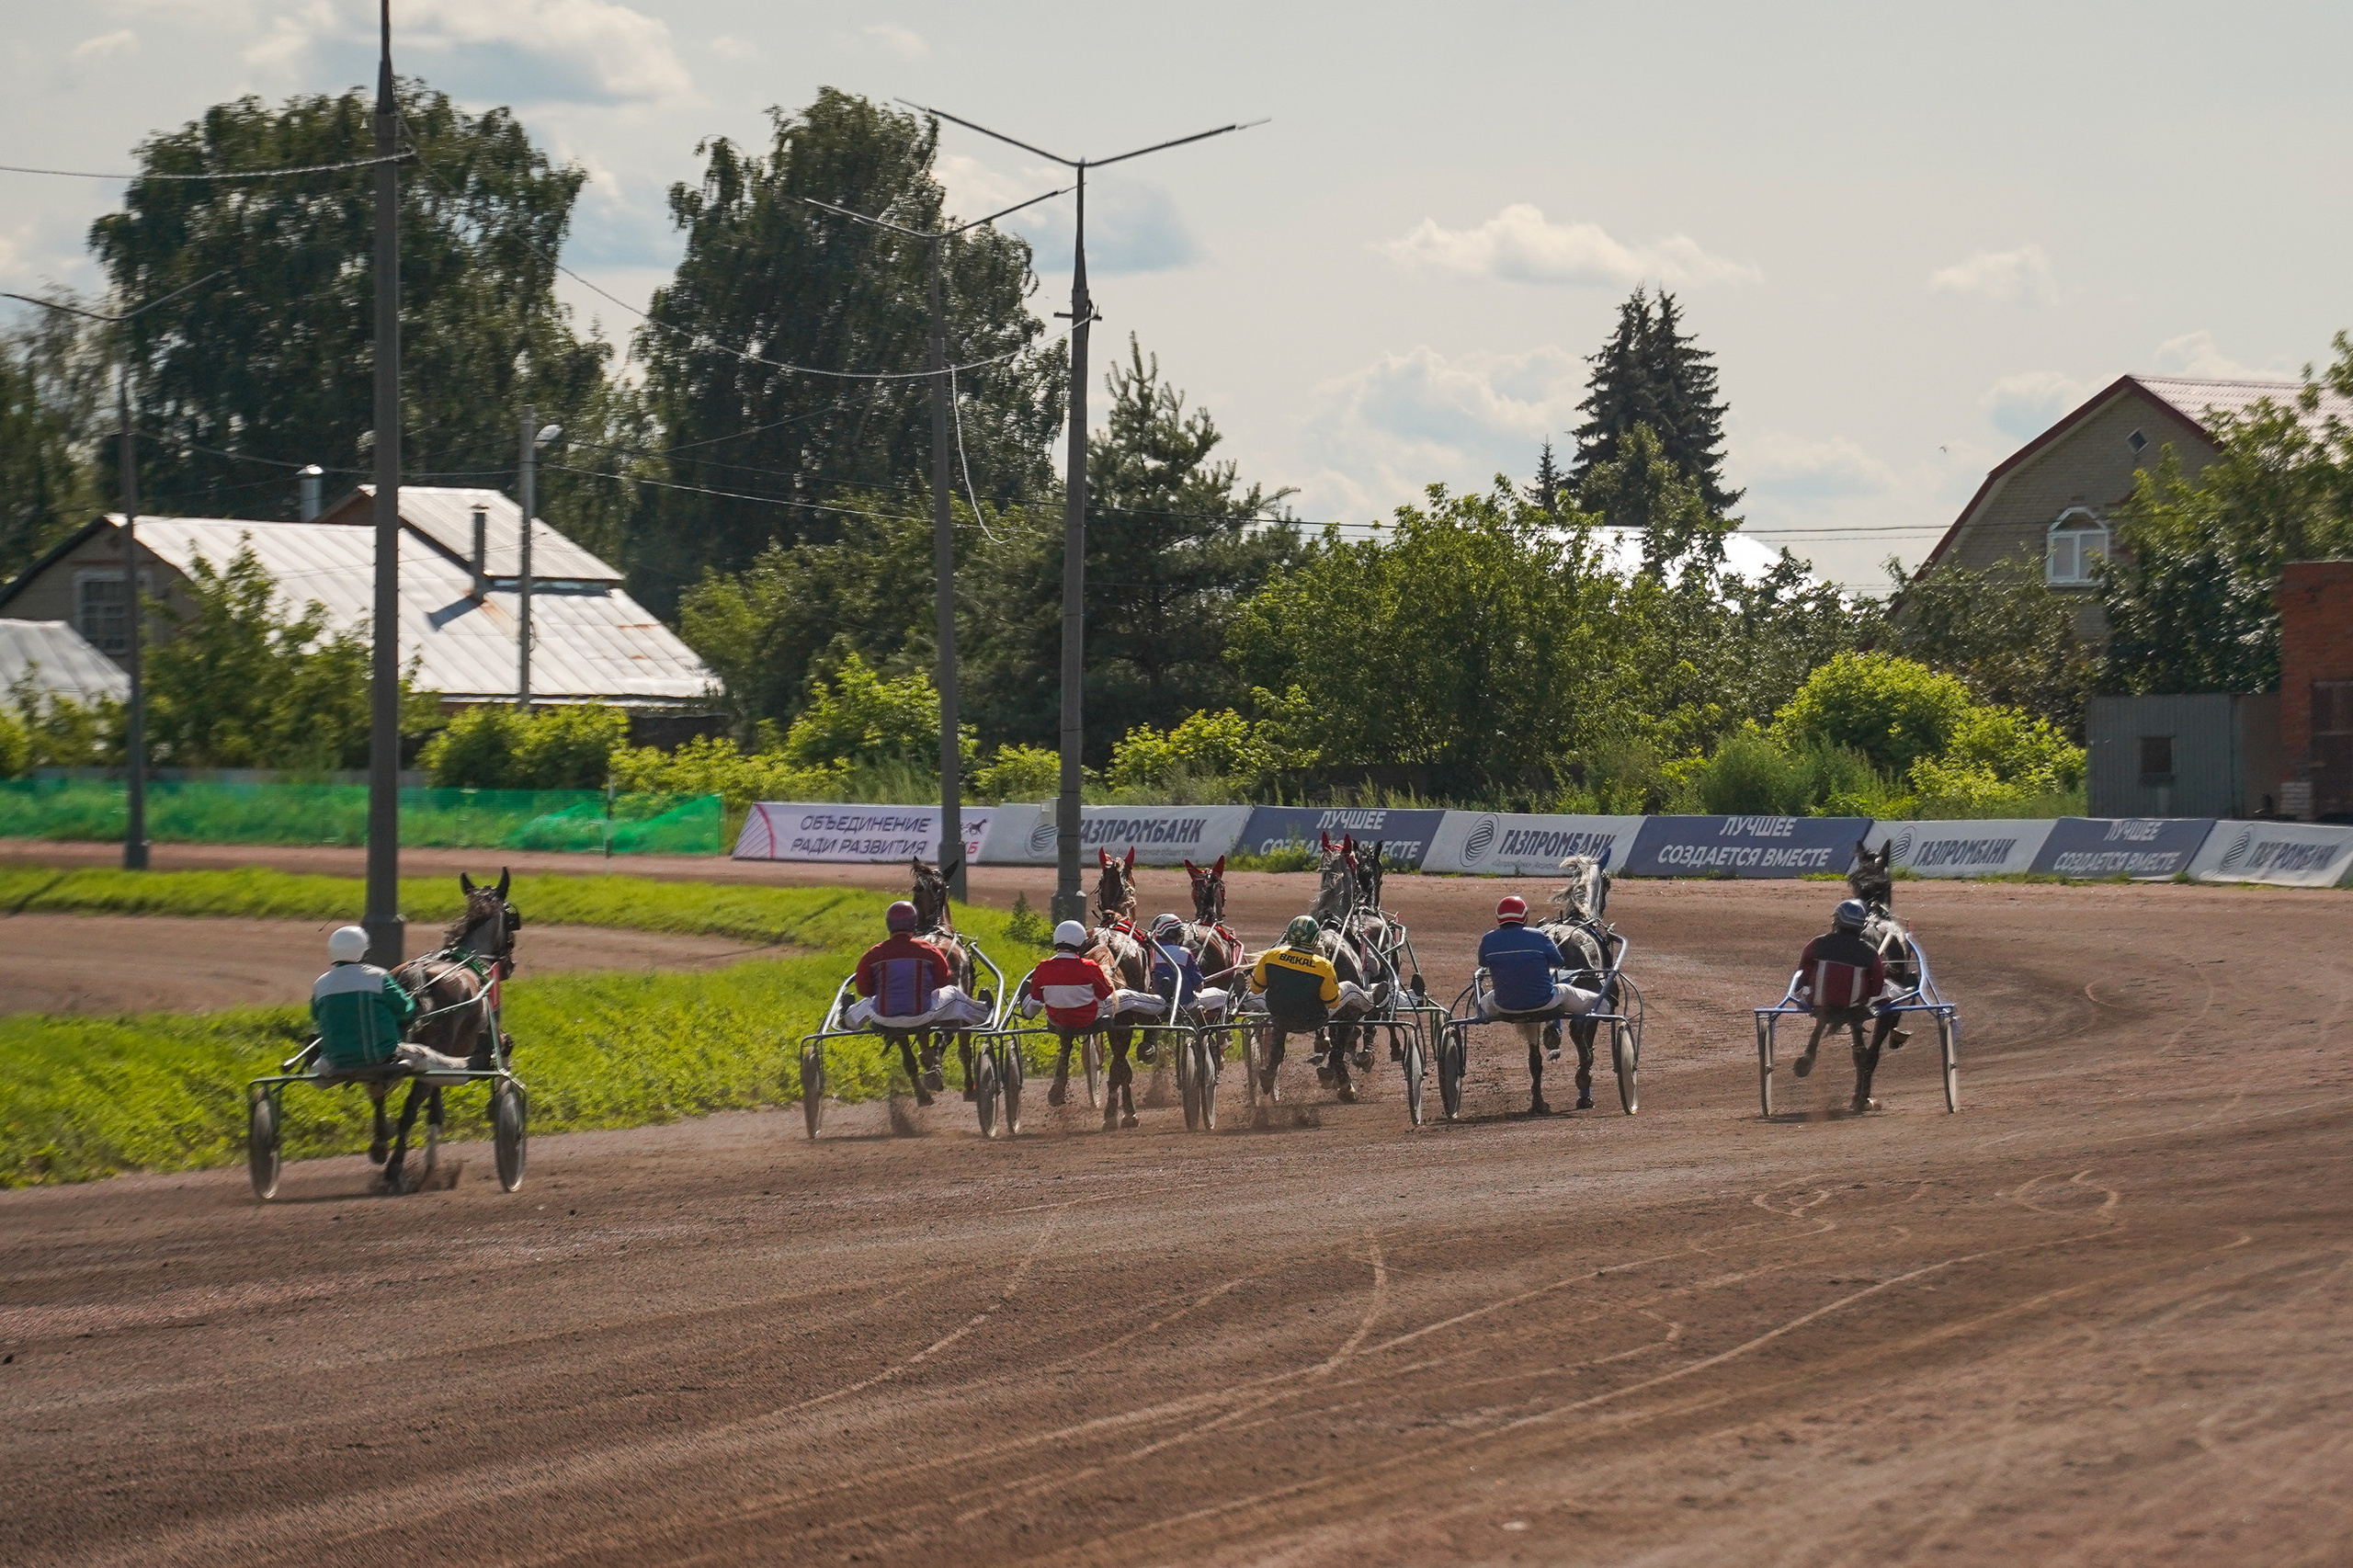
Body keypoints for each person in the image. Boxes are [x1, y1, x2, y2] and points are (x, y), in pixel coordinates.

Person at [1021, 920, 1164, 1108]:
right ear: (1081, 944)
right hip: (1090, 1016)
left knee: (1035, 998)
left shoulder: (1042, 967)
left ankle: (1024, 1008)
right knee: (1128, 997)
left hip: (1057, 1017)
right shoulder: (1089, 967)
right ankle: (1161, 1005)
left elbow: (1039, 996)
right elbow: (1106, 993)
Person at [1790, 898, 1906, 1111]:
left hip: (1818, 1004)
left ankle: (1811, 1050)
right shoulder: (1870, 953)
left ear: (1836, 921)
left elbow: (1803, 973)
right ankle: (1890, 1033)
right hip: (1855, 1007)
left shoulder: (1816, 944)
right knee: (1898, 993)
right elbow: (1876, 986)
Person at [1250, 915, 1358, 1101]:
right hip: (1315, 1019)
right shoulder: (1324, 966)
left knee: (1279, 1004)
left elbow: (1255, 989)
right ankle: (1372, 999)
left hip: (1279, 1017)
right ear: (1315, 940)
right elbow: (1332, 1002)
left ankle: (1272, 1067)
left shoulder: (1270, 957)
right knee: (1349, 988)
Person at [844, 901, 989, 1029]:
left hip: (883, 1016)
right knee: (955, 994)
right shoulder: (928, 950)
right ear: (914, 924)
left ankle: (846, 1020)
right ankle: (984, 1013)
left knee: (862, 1005)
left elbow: (863, 990)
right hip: (922, 1014)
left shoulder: (873, 954)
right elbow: (943, 981)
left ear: (889, 925)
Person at [311, 924, 419, 1071]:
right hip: (381, 1057)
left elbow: (316, 1016)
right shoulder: (378, 977)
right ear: (363, 952)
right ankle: (460, 1068)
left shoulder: (320, 984)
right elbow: (405, 1010)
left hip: (336, 1061)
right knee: (426, 1055)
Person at [1475, 896, 1600, 1022]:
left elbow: (1483, 963)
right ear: (1524, 916)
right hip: (1544, 1002)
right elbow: (1558, 962)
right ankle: (1606, 1009)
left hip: (1504, 1006)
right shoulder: (1538, 935)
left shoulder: (1488, 939)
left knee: (1485, 1001)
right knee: (1595, 1000)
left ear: (1498, 917)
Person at [1148, 913, 1231, 1019]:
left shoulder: (1149, 953)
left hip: (1155, 1003)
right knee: (1224, 996)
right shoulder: (1184, 953)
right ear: (1175, 933)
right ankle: (1244, 1001)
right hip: (1186, 1004)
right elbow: (1199, 988)